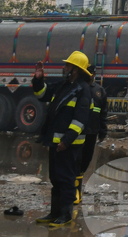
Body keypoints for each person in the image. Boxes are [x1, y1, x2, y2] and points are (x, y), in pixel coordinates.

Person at [31, 52, 93, 227]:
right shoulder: (65, 86)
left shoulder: (83, 90)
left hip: (68, 145)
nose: (64, 68)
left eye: (67, 65)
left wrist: (66, 141)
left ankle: (65, 215)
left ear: (75, 70)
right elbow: (42, 94)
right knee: (55, 178)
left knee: (66, 179)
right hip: (56, 142)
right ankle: (55, 213)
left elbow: (80, 120)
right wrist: (38, 79)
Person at [76, 65, 108, 205]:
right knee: (75, 159)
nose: (91, 75)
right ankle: (75, 190)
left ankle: (78, 183)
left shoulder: (99, 91)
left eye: (93, 73)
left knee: (86, 159)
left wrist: (102, 131)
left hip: (92, 131)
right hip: (78, 131)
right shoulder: (78, 88)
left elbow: (103, 113)